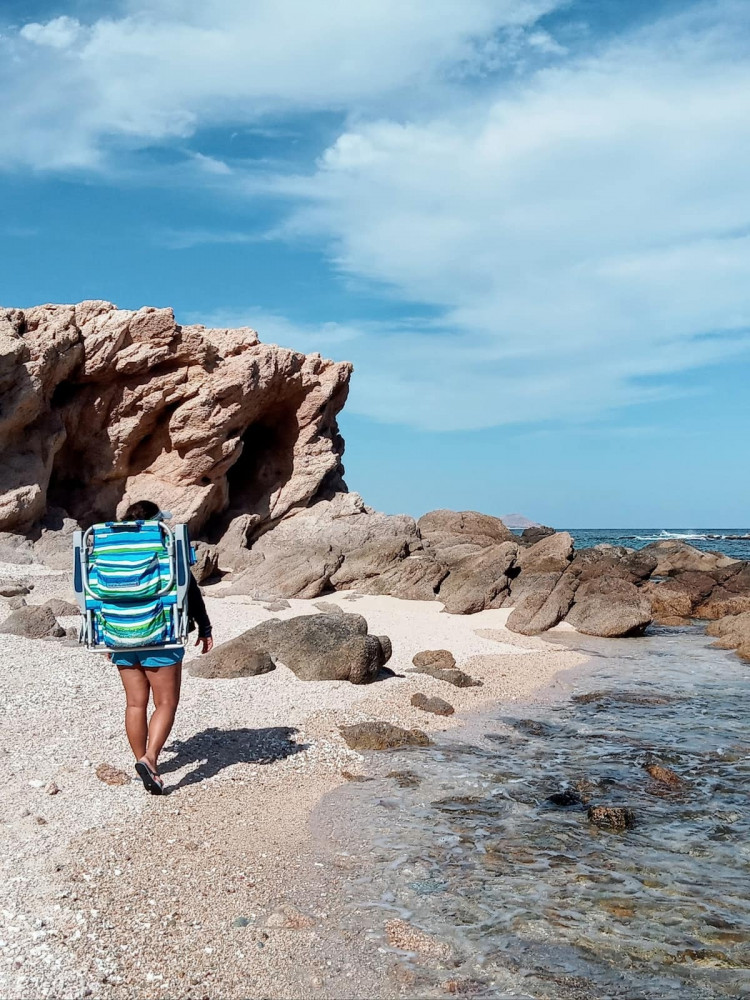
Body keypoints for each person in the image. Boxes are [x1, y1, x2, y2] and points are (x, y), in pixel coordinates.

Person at [110, 500, 213, 795]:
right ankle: (150, 760)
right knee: (165, 703)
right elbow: (190, 592)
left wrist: (106, 636)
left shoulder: (110, 551)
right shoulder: (166, 549)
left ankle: (141, 760)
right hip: (160, 633)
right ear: (157, 522)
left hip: (120, 633)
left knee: (134, 703)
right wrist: (204, 628)